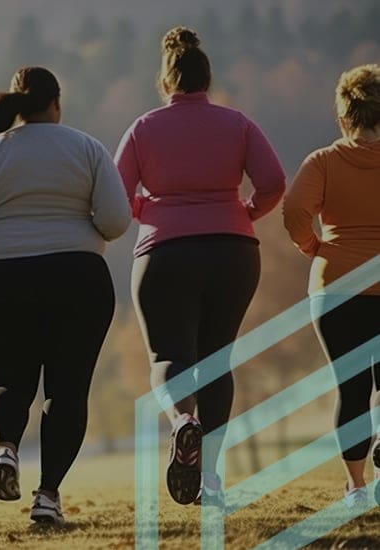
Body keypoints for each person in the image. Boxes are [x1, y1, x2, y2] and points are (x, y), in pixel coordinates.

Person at [0, 66, 131, 525]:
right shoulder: (87, 147)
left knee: (7, 382)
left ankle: (6, 450)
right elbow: (114, 219)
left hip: (2, 278)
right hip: (78, 277)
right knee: (67, 391)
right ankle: (48, 496)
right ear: (57, 103)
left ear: (15, 105)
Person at [115, 27, 285, 507]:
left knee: (168, 354)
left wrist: (149, 211)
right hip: (233, 249)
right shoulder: (238, 124)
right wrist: (246, 211)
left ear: (166, 82)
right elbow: (273, 181)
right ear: (206, 80)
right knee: (216, 360)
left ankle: (182, 421)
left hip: (165, 249)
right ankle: (209, 477)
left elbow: (115, 192)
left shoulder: (144, 128)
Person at [284, 64, 380, 510]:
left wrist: (313, 247)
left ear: (345, 115)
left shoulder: (323, 161)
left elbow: (294, 211)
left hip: (336, 288)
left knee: (352, 388)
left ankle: (356, 488)